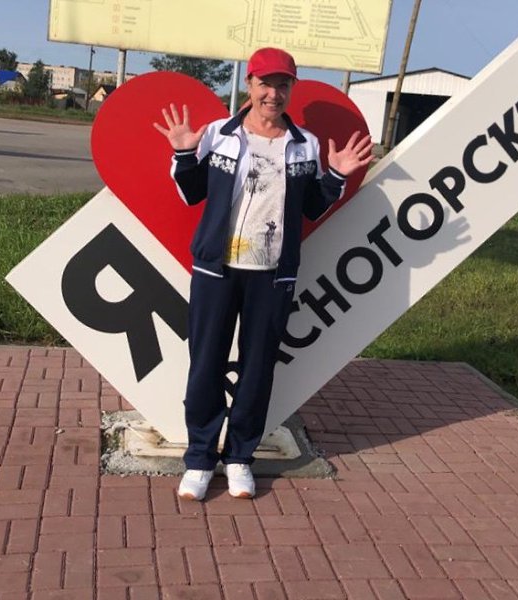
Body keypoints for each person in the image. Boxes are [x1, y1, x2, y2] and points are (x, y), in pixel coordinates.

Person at [154, 47, 373, 501]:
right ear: (249, 85)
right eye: (265, 83)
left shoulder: (305, 144)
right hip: (216, 271)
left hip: (273, 276)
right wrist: (184, 152)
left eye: (283, 84)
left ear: (291, 89)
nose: (274, 93)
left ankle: (239, 458)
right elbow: (191, 194)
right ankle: (199, 459)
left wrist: (336, 176)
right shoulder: (218, 134)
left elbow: (311, 207)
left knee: (257, 370)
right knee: (206, 365)